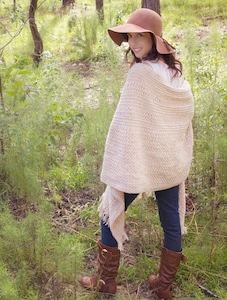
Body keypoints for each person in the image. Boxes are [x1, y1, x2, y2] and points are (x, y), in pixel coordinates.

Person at [79, 8, 194, 300]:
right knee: (170, 219)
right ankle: (163, 285)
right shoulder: (175, 75)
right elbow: (181, 117)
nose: (133, 42)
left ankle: (106, 281)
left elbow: (124, 124)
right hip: (169, 163)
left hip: (141, 163)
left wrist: (122, 159)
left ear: (155, 39)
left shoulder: (141, 73)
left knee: (110, 209)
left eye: (139, 36)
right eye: (129, 36)